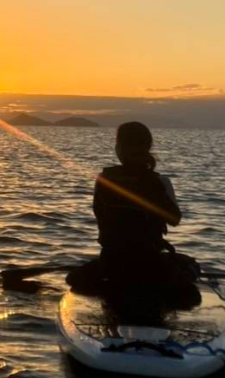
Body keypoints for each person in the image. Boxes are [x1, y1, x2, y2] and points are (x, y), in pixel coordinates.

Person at [66, 121, 199, 308]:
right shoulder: (160, 182)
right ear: (147, 148)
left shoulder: (104, 180)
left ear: (119, 148)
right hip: (150, 264)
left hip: (112, 263)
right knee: (192, 268)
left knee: (73, 278)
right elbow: (174, 220)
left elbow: (99, 215)